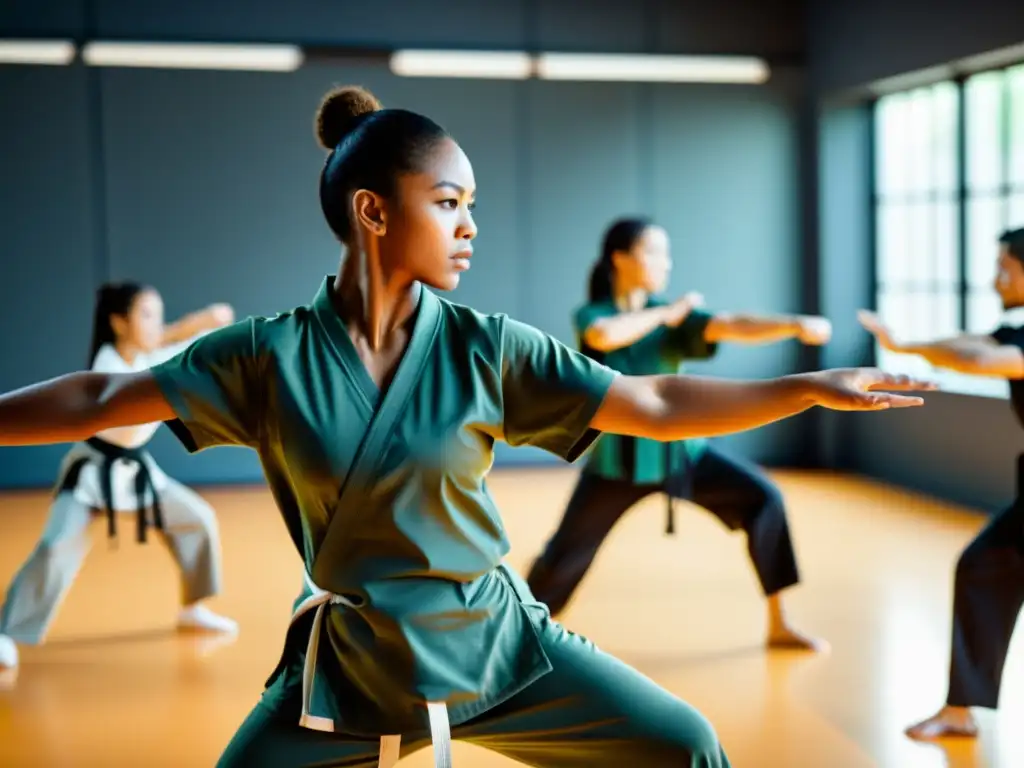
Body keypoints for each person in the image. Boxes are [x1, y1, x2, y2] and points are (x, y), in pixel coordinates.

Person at [0, 85, 933, 768]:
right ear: (373, 212)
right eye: (448, 203)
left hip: (502, 649)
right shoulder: (262, 358)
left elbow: (649, 402)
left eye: (472, 206)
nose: (469, 226)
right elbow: (94, 402)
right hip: (353, 674)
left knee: (686, 746)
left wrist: (803, 386)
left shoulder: (492, 348)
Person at [525, 217, 834, 651]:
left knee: (764, 500)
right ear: (620, 258)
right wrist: (667, 314)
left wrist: (792, 325)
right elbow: (604, 335)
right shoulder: (596, 313)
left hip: (682, 455)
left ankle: (780, 622)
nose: (665, 264)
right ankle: (518, 636)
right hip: (616, 465)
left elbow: (729, 324)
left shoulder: (678, 320)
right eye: (654, 252)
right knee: (562, 556)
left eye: (666, 254)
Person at [0, 283, 238, 672]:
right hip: (93, 473)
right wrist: (190, 327)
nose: (156, 324)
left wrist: (209, 329)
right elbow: (159, 370)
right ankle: (6, 631)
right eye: (146, 315)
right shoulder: (107, 368)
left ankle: (193, 608)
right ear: (118, 322)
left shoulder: (151, 359)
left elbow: (180, 351)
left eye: (158, 315)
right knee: (57, 544)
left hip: (136, 472)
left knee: (197, 520)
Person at [860, 227, 1024, 741]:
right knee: (982, 567)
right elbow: (974, 343)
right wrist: (904, 344)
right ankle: (960, 710)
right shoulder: (1014, 329)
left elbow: (980, 360)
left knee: (983, 566)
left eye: (1005, 267)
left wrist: (914, 351)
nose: (996, 277)